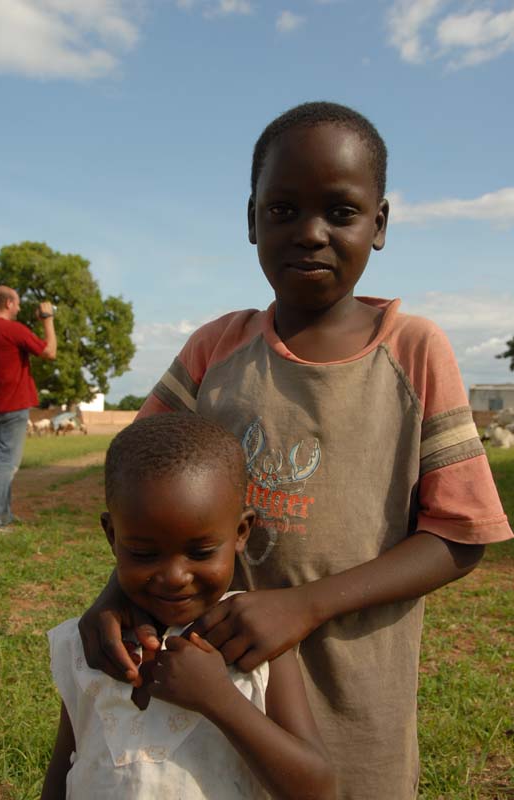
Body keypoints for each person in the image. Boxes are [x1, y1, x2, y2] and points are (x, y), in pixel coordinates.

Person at [78, 102, 513, 799]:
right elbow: (136, 478)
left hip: (352, 686)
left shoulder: (414, 351)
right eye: (283, 210)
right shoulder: (215, 349)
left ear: (380, 224)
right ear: (252, 218)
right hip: (213, 689)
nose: (310, 233)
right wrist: (113, 598)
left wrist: (303, 604)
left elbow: (460, 536)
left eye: (340, 212)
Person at [42, 413, 335, 800]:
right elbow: (63, 768)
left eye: (200, 552)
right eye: (145, 553)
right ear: (112, 536)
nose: (175, 576)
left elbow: (318, 788)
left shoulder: (255, 643)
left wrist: (220, 700)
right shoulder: (92, 644)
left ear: (241, 533)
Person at [0, 285, 56, 533]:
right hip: (13, 405)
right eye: (18, 303)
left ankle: (3, 515)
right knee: (6, 463)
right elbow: (49, 351)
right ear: (9, 303)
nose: (20, 307)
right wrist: (48, 319)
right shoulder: (12, 329)